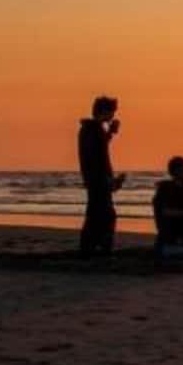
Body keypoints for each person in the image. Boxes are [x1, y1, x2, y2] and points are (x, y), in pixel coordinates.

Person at [77, 96, 125, 254]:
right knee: (105, 214)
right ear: (103, 111)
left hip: (96, 178)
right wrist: (107, 180)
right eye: (111, 112)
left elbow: (99, 148)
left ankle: (91, 247)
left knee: (97, 213)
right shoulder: (92, 130)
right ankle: (98, 248)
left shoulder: (92, 129)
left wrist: (110, 133)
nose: (112, 115)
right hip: (97, 178)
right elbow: (96, 156)